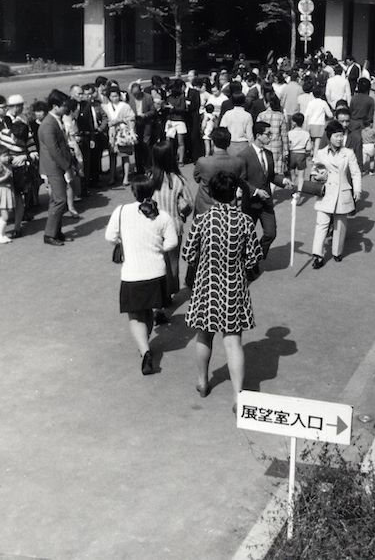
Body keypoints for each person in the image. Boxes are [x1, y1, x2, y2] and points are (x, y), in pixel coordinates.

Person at [181, 171, 262, 408]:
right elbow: (253, 259)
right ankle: (238, 395)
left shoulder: (203, 220)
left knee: (204, 334)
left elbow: (188, 254)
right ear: (234, 193)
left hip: (206, 285)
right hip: (234, 285)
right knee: (233, 341)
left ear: (213, 194)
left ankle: (203, 381)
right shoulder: (245, 221)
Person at [105, 175, 178, 376]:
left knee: (136, 314)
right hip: (156, 272)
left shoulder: (121, 211)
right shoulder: (162, 216)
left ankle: (145, 351)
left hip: (132, 273)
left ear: (133, 191)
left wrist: (124, 243)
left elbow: (110, 236)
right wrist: (156, 249)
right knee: (148, 311)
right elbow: (171, 242)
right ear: (152, 191)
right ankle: (145, 345)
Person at [148, 139, 193, 321]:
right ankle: (169, 293)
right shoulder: (178, 180)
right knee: (172, 263)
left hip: (153, 226)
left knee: (156, 262)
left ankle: (157, 298)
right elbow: (188, 204)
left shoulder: (150, 178)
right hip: (173, 227)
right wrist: (182, 213)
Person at [309, 120, 361, 269]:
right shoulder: (320, 153)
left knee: (340, 225)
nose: (339, 139)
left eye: (341, 136)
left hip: (342, 192)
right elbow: (314, 171)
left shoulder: (348, 153)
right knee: (321, 224)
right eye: (336, 136)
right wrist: (316, 176)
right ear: (329, 136)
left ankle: (337, 252)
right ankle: (318, 255)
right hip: (325, 193)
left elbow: (356, 173)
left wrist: (357, 190)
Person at [241, 120, 295, 259]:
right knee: (246, 237)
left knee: (271, 234)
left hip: (266, 203)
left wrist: (283, 181)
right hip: (250, 203)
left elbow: (271, 176)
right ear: (258, 135)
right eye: (268, 134)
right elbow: (241, 180)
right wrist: (255, 191)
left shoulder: (269, 154)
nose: (271, 136)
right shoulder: (244, 155)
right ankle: (246, 263)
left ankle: (257, 256)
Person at [38, 94, 75, 247]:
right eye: (64, 105)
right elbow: (54, 150)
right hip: (53, 166)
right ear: (55, 106)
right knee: (60, 200)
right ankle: (50, 234)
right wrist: (66, 165)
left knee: (57, 200)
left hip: (55, 165)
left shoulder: (53, 121)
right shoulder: (48, 124)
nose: (66, 108)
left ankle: (57, 232)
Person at [193, 127, 248, 218]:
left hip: (205, 206)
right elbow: (242, 181)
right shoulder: (239, 162)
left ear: (213, 142)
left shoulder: (203, 162)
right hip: (229, 207)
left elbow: (197, 178)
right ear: (229, 142)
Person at [103, 86, 136, 186]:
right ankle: (112, 176)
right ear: (109, 97)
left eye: (116, 96)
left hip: (122, 133)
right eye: (112, 96)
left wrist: (120, 120)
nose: (115, 98)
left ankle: (126, 177)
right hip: (111, 133)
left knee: (124, 155)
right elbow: (104, 119)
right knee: (112, 155)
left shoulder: (125, 106)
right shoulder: (105, 107)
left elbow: (131, 118)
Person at [256, 94, 288, 175]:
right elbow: (284, 135)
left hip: (264, 145)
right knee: (276, 172)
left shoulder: (261, 115)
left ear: (267, 103)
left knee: (265, 170)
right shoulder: (280, 116)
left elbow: (257, 131)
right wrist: (286, 150)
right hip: (277, 146)